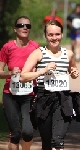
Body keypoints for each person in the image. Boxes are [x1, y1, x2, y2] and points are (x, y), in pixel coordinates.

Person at [20, 20, 80, 150]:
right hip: (44, 99)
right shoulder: (38, 53)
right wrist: (43, 70)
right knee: (47, 142)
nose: (54, 38)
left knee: (58, 141)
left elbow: (73, 70)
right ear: (45, 35)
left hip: (63, 99)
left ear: (62, 34)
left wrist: (74, 73)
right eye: (50, 35)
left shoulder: (68, 54)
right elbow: (23, 76)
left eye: (57, 34)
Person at [0, 16, 39, 150]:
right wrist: (10, 73)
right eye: (21, 25)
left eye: (28, 26)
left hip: (29, 94)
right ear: (15, 29)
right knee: (15, 133)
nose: (25, 28)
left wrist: (36, 71)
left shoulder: (35, 47)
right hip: (10, 94)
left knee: (27, 132)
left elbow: (41, 70)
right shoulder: (7, 47)